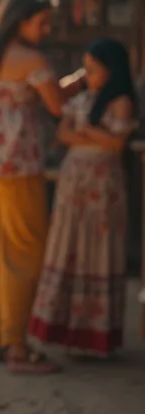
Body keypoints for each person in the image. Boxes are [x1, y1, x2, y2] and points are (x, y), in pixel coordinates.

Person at [0, 0, 87, 374]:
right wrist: (79, 82)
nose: (46, 30)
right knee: (23, 252)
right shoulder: (33, 61)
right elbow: (56, 105)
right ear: (22, 21)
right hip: (15, 164)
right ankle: (18, 347)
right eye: (42, 22)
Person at [29, 38, 137, 358]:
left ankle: (94, 333)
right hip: (75, 178)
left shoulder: (121, 101)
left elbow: (116, 144)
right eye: (84, 68)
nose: (86, 74)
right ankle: (66, 329)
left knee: (97, 247)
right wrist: (91, 132)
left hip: (102, 183)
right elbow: (63, 131)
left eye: (92, 69)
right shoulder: (86, 95)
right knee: (69, 244)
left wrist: (87, 132)